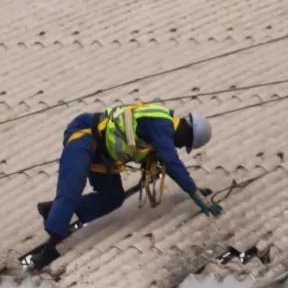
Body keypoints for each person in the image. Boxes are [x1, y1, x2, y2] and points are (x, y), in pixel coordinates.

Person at [32, 102, 221, 269]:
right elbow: (171, 160)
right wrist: (194, 193)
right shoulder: (162, 123)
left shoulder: (162, 133)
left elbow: (168, 164)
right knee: (71, 190)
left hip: (103, 156)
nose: (180, 147)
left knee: (112, 198)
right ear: (187, 131)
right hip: (84, 136)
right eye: (185, 144)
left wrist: (193, 192)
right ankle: (49, 249)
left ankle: (51, 210)